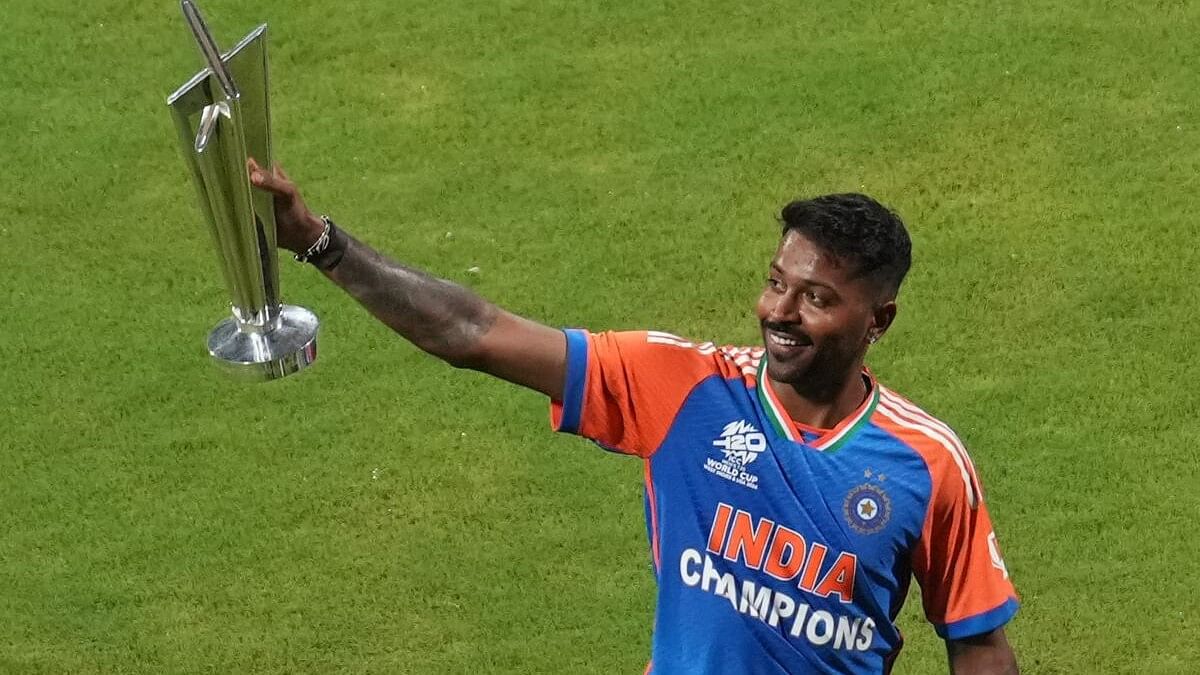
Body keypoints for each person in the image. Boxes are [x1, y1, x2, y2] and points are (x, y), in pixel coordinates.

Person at [247, 158, 1019, 675]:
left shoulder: (925, 462)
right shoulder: (685, 385)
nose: (779, 311)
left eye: (816, 298)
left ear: (877, 320)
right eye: (776, 282)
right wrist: (317, 240)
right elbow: (473, 333)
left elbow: (978, 640)